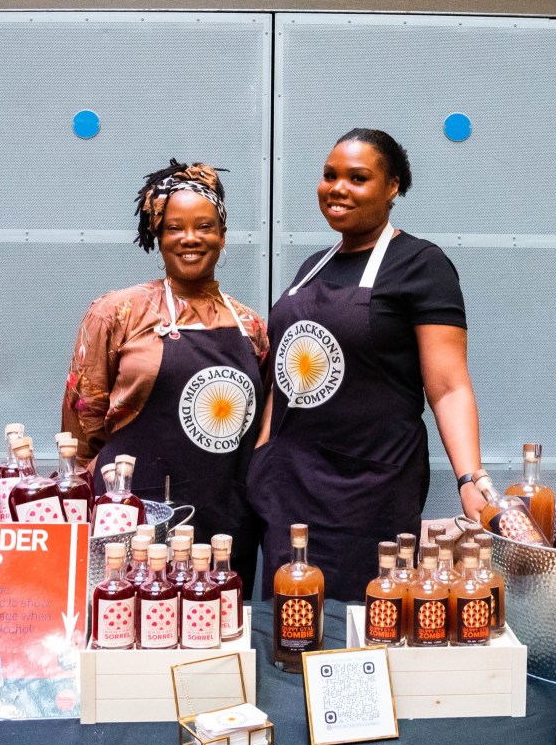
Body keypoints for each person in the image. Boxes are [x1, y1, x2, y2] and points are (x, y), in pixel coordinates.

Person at [247, 129, 482, 602]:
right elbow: (284, 376)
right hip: (288, 488)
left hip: (369, 491)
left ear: (393, 186)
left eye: (357, 178)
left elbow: (449, 387)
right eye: (329, 175)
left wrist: (471, 479)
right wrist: (262, 456)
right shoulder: (313, 266)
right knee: (291, 624)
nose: (338, 188)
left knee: (363, 623)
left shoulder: (420, 264)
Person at [62, 159, 269, 591]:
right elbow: (82, 426)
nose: (190, 238)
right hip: (131, 521)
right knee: (129, 616)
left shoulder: (251, 326)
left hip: (225, 523)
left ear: (222, 234)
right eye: (175, 228)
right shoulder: (118, 312)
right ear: (157, 235)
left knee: (216, 620)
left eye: (204, 226)